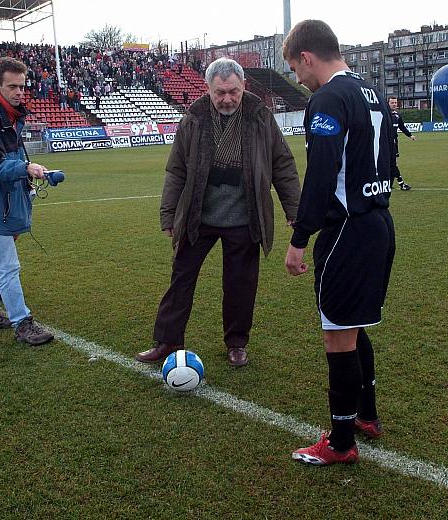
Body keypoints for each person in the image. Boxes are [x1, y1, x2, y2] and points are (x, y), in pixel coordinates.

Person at [135, 57, 300, 368]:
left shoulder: (260, 116)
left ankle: (237, 343)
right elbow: (176, 170)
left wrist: (294, 210)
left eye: (233, 92)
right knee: (181, 279)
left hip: (245, 217)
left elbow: (282, 165)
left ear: (244, 87)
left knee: (241, 285)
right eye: (220, 92)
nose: (227, 99)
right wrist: (169, 214)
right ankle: (168, 340)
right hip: (199, 216)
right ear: (207, 89)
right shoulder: (194, 117)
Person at [283, 20, 395, 466]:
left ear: (307, 57)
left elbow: (322, 173)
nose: (298, 79)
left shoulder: (327, 97)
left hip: (348, 228)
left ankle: (342, 441)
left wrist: (299, 238)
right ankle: (366, 416)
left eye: (295, 69)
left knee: (337, 334)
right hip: (379, 222)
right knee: (353, 324)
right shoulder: (371, 92)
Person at [0, 56, 54, 346]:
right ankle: (22, 322)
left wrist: (30, 168)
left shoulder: (9, 115)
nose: (19, 93)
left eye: (22, 87)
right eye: (13, 87)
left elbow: (10, 159)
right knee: (7, 266)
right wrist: (26, 169)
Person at [387, 96, 415, 191]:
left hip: (394, 143)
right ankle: (401, 183)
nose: (394, 104)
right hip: (386, 144)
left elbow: (402, 127)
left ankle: (388, 185)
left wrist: (410, 135)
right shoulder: (385, 114)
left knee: (393, 165)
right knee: (393, 164)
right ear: (388, 103)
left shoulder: (397, 115)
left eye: (395, 102)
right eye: (392, 103)